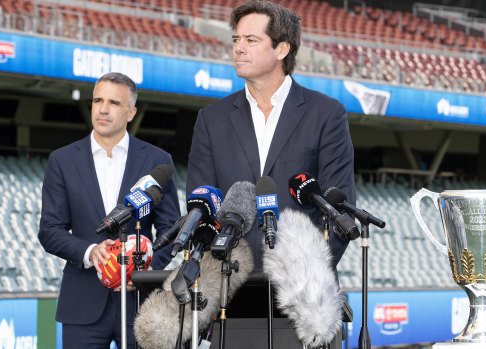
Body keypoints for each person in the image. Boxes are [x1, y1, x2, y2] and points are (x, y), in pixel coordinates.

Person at [186, 0, 356, 269]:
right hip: (227, 287)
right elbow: (201, 206)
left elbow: (339, 211)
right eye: (236, 39)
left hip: (302, 290)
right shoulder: (211, 119)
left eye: (251, 40)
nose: (238, 48)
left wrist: (306, 278)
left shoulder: (326, 114)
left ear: (282, 49)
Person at [38, 72, 181, 348]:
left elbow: (170, 228)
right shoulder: (62, 160)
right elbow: (50, 230)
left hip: (142, 304)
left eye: (114, 103)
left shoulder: (157, 161)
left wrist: (146, 271)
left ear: (131, 112)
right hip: (82, 304)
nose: (103, 109)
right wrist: (90, 252)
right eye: (97, 100)